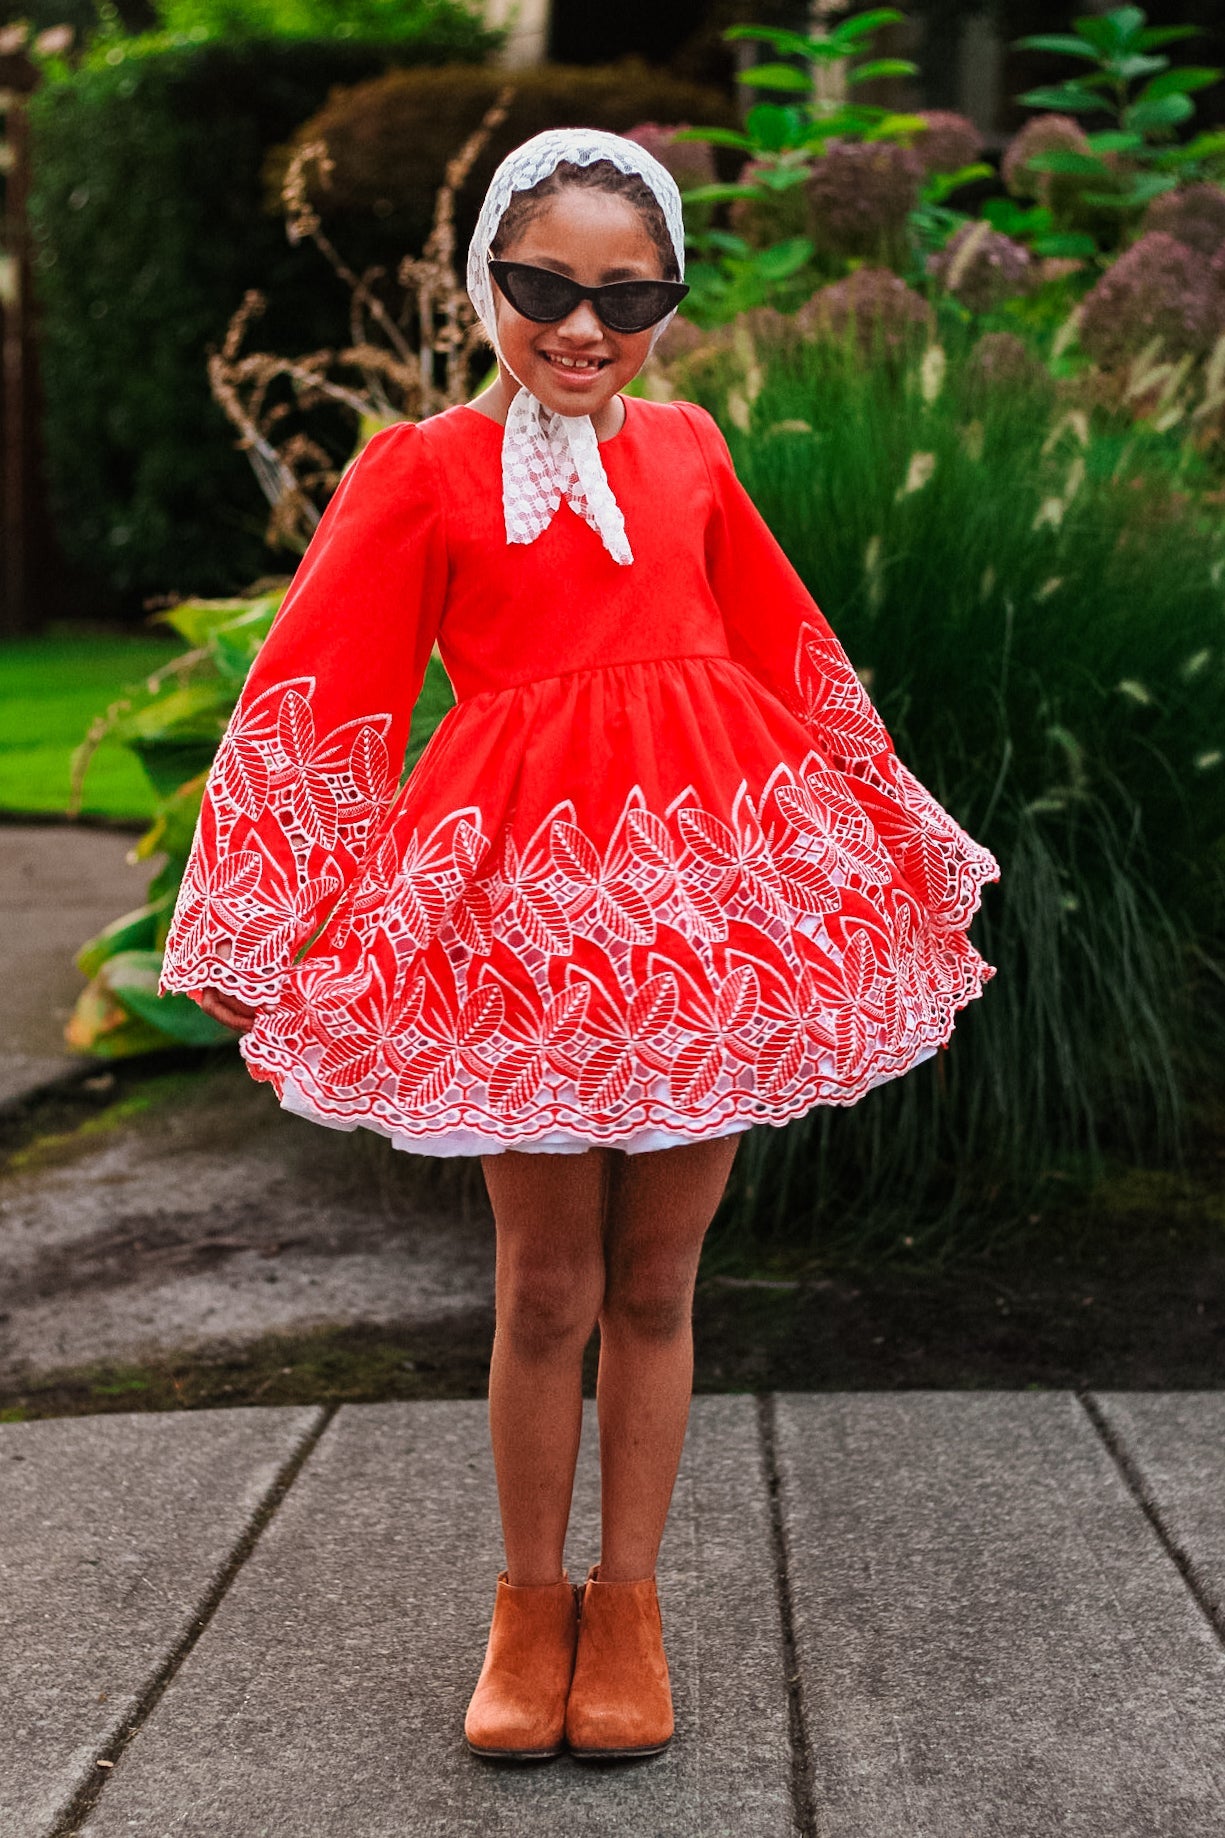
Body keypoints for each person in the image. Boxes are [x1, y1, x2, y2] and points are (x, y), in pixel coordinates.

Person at [157, 128, 1001, 1765]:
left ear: (668, 300)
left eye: (630, 294)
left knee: (660, 1278)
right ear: (485, 278)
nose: (583, 327)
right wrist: (266, 911)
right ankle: (527, 1601)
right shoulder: (421, 470)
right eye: (544, 285)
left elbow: (788, 647)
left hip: (709, 904)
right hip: (519, 914)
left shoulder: (688, 448)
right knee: (545, 1282)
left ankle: (628, 1604)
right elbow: (323, 688)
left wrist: (885, 820)